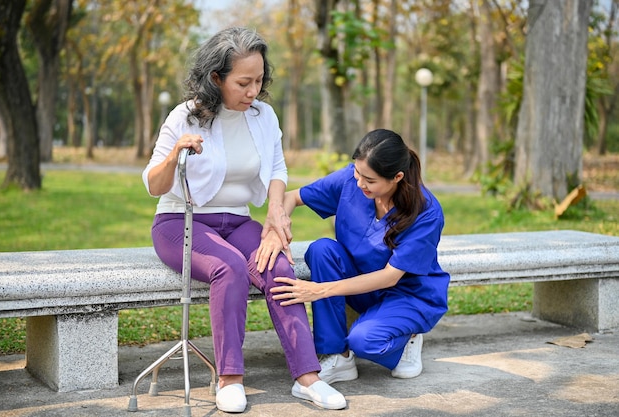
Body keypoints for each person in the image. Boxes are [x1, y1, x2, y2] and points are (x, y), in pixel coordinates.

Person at [142, 27, 345, 413]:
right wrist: (176, 155)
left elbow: (277, 169)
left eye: (259, 80)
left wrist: (274, 213)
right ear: (216, 78)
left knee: (279, 265)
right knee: (230, 267)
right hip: (179, 223)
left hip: (237, 221)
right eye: (243, 82)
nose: (253, 90)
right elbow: (154, 184)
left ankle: (308, 378)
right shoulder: (185, 116)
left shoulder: (263, 116)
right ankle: (230, 378)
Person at [270, 129, 450, 385]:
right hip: (363, 283)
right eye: (357, 173)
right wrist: (278, 232)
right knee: (321, 250)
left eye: (370, 180)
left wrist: (319, 290)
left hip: (408, 295)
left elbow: (390, 276)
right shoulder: (352, 179)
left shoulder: (426, 212)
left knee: (364, 340)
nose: (359, 183)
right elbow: (292, 197)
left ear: (397, 177)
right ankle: (337, 355)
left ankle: (407, 337)